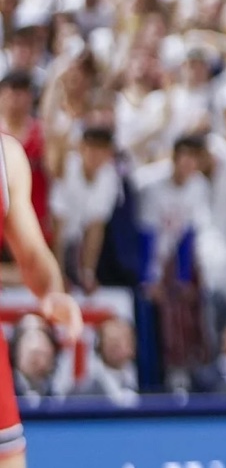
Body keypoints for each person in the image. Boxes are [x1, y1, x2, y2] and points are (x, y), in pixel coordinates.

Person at [0, 132, 84, 465]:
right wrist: (50, 290)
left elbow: (32, 258)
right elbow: (32, 259)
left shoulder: (7, 157)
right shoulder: (5, 155)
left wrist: (51, 291)